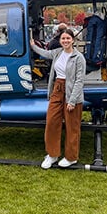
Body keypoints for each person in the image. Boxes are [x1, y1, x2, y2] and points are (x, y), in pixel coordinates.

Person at [30, 28, 86, 169]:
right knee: (51, 122)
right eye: (63, 39)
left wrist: (72, 101)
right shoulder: (58, 52)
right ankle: (52, 155)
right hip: (57, 89)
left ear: (73, 40)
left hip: (72, 92)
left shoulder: (79, 58)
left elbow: (79, 81)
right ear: (60, 41)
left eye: (68, 38)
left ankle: (71, 157)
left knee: (72, 126)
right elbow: (45, 53)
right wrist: (33, 46)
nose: (65, 41)